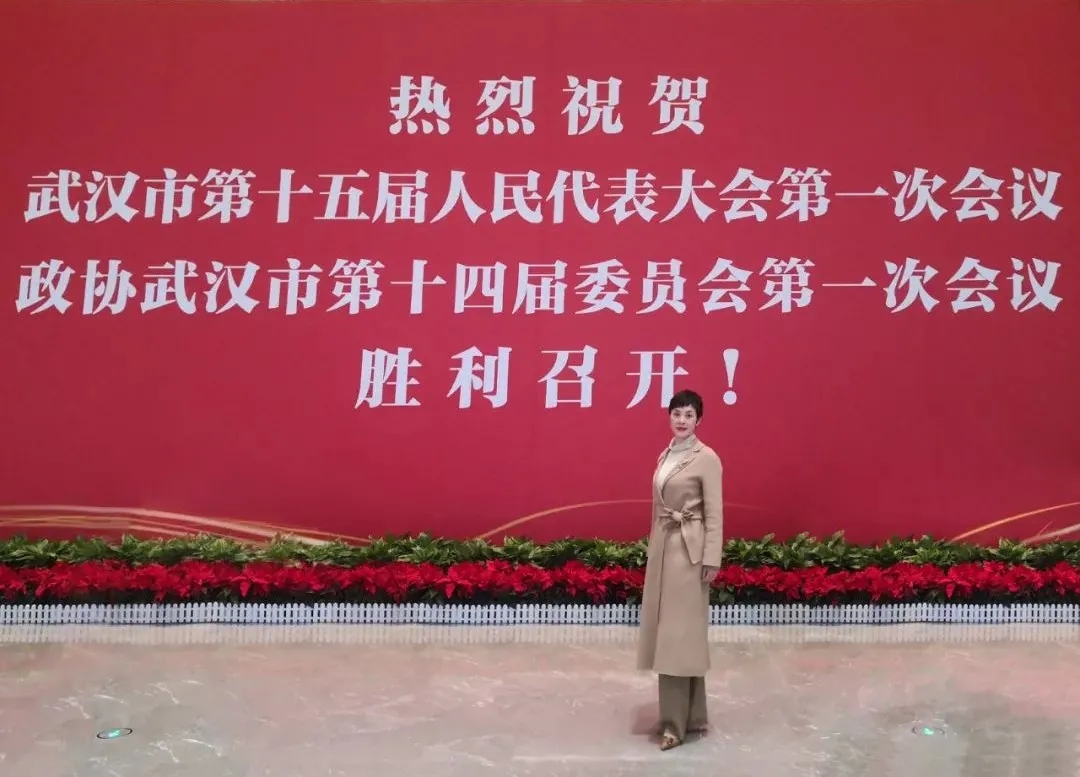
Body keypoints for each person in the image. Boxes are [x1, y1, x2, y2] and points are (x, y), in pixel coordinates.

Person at [636, 389, 724, 752]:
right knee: (674, 634)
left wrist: (712, 557)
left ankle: (674, 725)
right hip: (664, 549)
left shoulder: (707, 458)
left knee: (678, 636)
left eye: (689, 414)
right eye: (677, 413)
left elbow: (715, 513)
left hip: (689, 553)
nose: (682, 420)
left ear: (699, 420)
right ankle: (693, 715)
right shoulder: (667, 454)